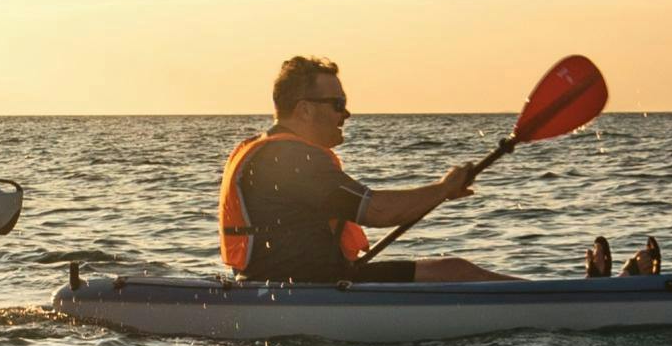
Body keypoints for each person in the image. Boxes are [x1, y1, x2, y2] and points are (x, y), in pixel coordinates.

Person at [217, 56, 518, 284]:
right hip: (305, 291)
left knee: (453, 269)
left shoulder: (270, 151)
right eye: (337, 104)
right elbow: (377, 212)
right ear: (304, 109)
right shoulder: (290, 159)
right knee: (456, 272)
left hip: (295, 284)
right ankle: (559, 303)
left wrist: (441, 192)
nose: (346, 114)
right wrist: (442, 189)